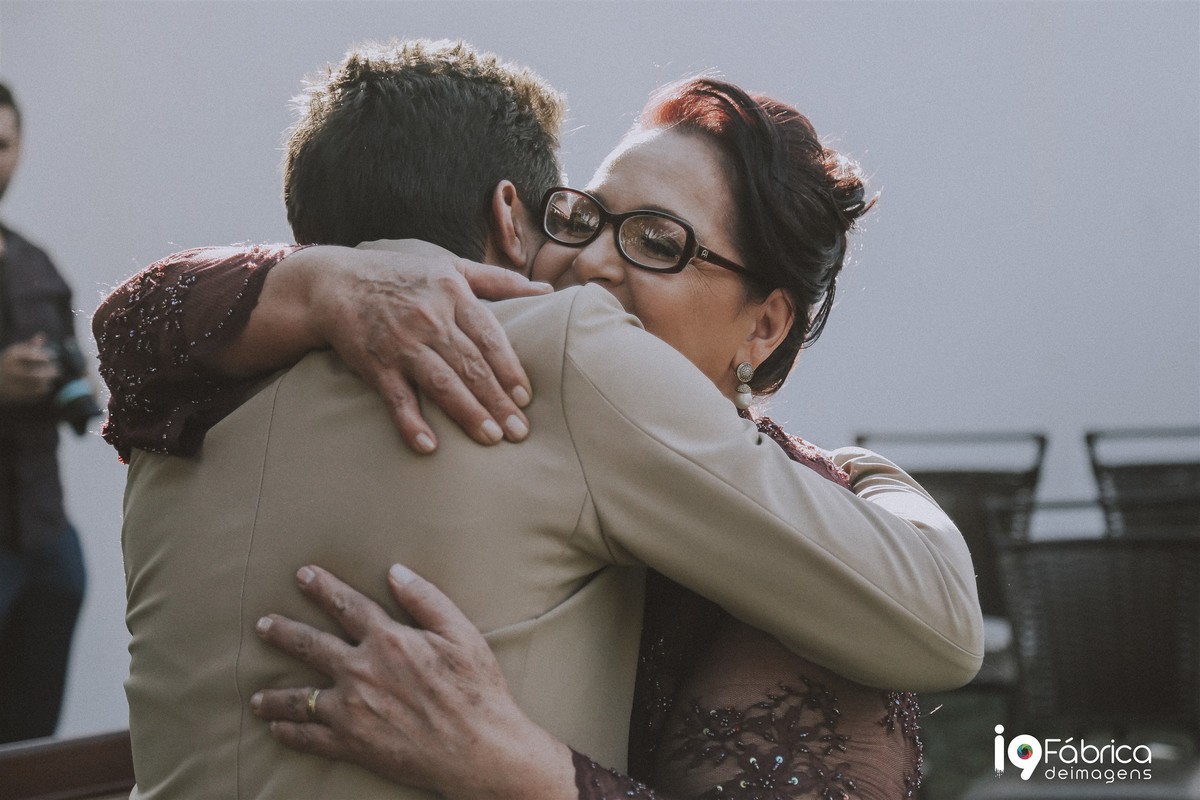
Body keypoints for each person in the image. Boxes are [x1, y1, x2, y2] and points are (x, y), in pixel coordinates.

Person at [95, 40, 982, 799]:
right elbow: (944, 622)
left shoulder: (195, 381)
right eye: (584, 216)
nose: (592, 262)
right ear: (513, 213)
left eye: (658, 241)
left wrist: (528, 770)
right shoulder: (552, 353)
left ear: (766, 324)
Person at [0, 81, 97, 744]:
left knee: (32, 745)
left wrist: (74, 375)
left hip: (44, 537)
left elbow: (73, 362)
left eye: (1, 144)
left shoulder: (36, 264)